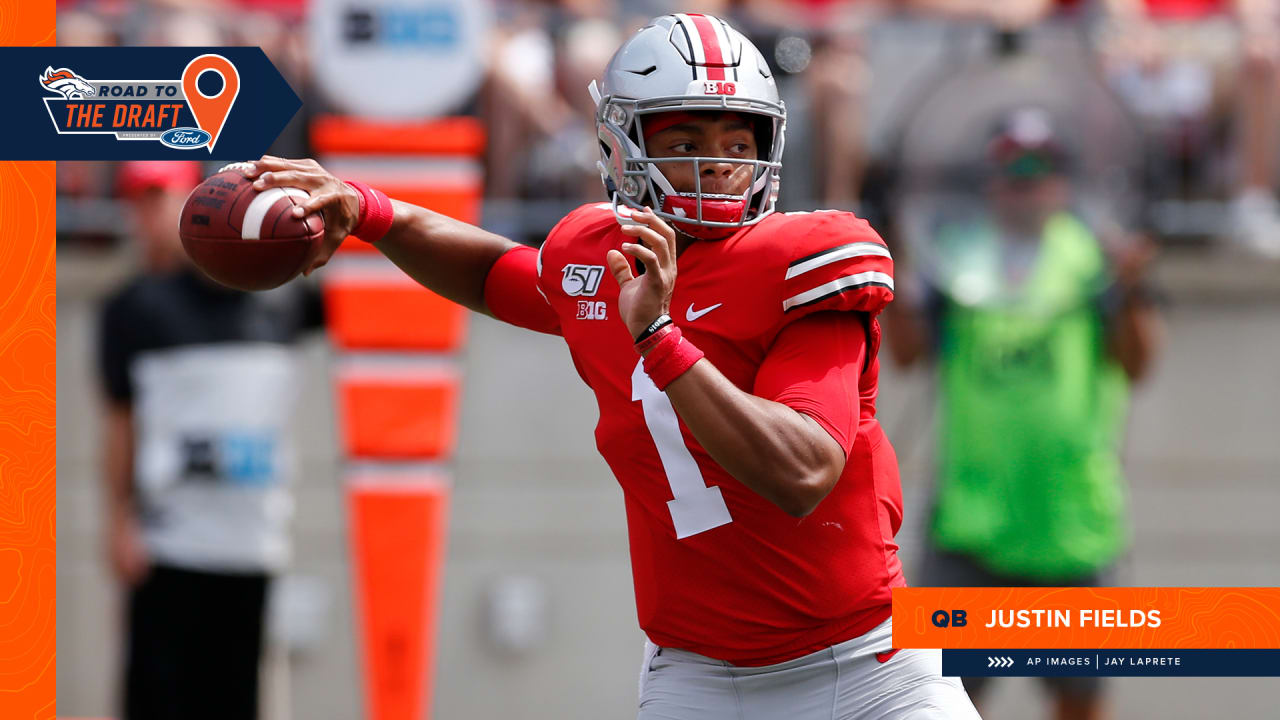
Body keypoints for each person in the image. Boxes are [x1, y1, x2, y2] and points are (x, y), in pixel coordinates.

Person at [247, 14, 980, 719]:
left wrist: (658, 337)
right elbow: (498, 274)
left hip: (869, 664)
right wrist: (373, 212)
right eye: (684, 137)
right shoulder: (593, 256)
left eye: (736, 134)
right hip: (700, 675)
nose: (717, 159)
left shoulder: (807, 258)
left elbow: (803, 471)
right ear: (621, 148)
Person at [883, 108, 1162, 720]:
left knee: (1079, 705)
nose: (1026, 183)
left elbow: (1138, 365)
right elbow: (904, 356)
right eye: (1012, 168)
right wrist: (899, 264)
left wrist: (1134, 288)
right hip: (971, 525)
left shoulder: (1097, 257)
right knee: (934, 704)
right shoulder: (954, 257)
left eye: (1040, 169)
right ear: (991, 180)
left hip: (1072, 524)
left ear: (1063, 181)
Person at [98, 161, 321, 720]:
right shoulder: (134, 307)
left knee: (236, 699)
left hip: (252, 543)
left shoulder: (281, 297)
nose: (151, 216)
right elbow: (120, 422)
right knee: (157, 698)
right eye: (139, 202)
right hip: (170, 544)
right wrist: (120, 519)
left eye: (161, 198)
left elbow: (372, 288)